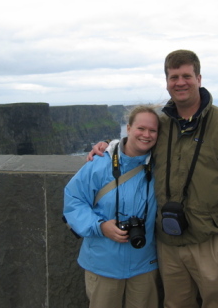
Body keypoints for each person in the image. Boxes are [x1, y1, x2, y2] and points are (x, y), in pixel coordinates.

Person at [88, 50, 218, 308]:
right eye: (173, 77)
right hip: (168, 242)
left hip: (210, 240)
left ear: (199, 78)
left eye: (186, 76)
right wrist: (108, 147)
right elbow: (136, 145)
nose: (180, 82)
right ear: (167, 82)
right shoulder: (162, 123)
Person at [64, 105, 160, 308]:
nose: (146, 134)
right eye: (140, 128)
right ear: (128, 128)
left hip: (144, 263)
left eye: (153, 130)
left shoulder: (161, 167)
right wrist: (100, 227)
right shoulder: (99, 164)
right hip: (103, 264)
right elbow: (74, 201)